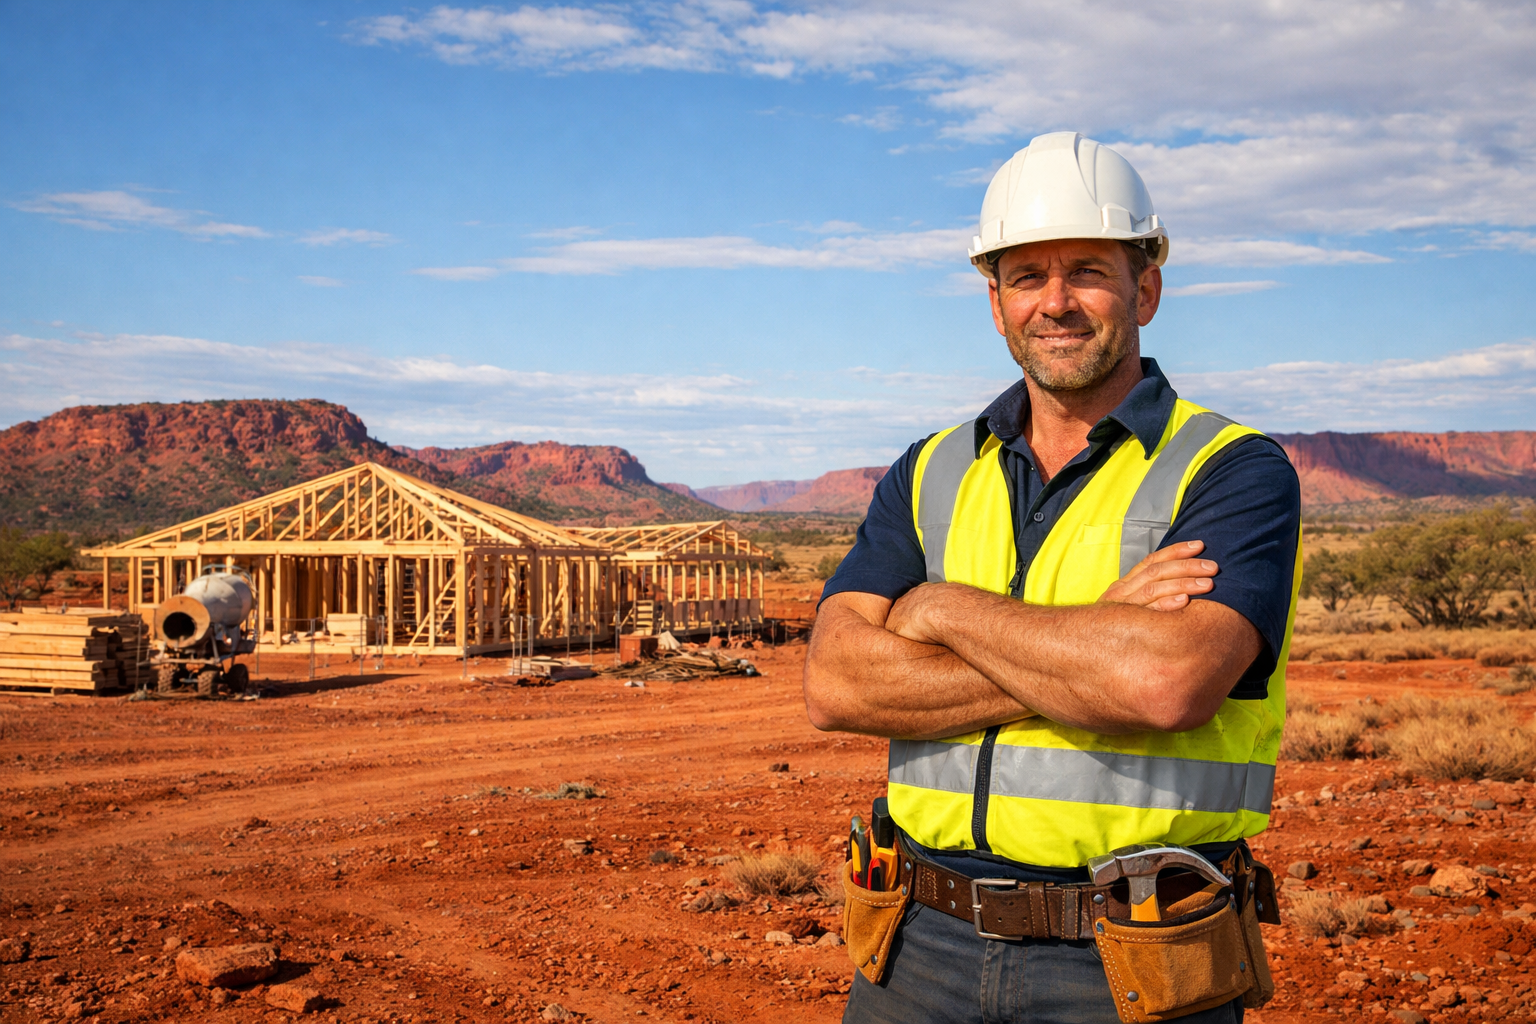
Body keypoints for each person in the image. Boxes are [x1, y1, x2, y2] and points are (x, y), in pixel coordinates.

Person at [803, 132, 1300, 1024]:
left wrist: (940, 607)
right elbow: (837, 683)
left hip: (1134, 959)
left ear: (1145, 287)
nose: (1056, 302)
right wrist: (1091, 634)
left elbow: (1163, 681)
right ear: (994, 302)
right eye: (1026, 276)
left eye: (1087, 271)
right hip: (916, 944)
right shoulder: (931, 469)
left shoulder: (1231, 471)